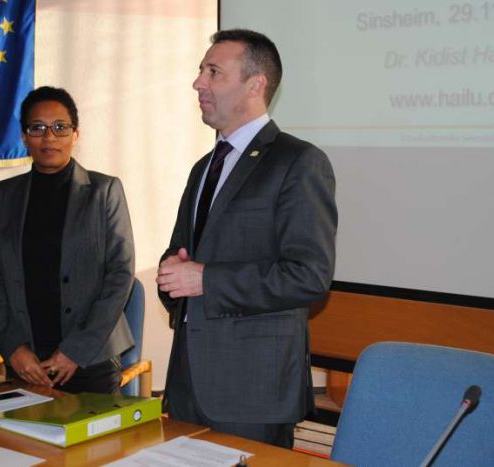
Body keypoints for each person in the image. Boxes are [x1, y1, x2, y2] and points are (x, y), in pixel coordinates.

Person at [156, 29, 337, 448]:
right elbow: (182, 254)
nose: (198, 82)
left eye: (213, 71)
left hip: (252, 393)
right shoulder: (203, 167)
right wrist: (172, 274)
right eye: (201, 70)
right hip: (186, 385)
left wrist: (205, 280)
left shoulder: (299, 162)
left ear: (255, 84)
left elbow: (309, 276)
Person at [0, 86, 135, 394]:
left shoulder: (104, 192)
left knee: (93, 442)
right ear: (24, 136)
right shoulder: (3, 196)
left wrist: (75, 350)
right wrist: (13, 349)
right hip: (26, 361)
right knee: (23, 441)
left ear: (76, 135)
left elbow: (120, 274)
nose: (49, 137)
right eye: (37, 128)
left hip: (91, 359)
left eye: (60, 127)